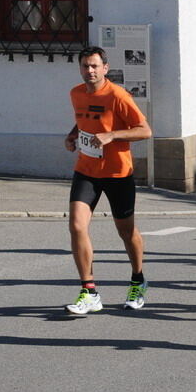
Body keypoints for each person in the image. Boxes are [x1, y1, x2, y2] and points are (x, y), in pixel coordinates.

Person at [64, 46, 153, 314]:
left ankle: (138, 279)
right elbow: (84, 121)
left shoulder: (117, 95)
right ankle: (88, 291)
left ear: (105, 68)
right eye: (85, 66)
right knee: (77, 226)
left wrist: (112, 136)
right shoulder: (76, 93)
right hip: (87, 170)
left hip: (117, 173)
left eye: (94, 66)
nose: (89, 71)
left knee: (126, 232)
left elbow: (145, 130)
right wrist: (72, 136)